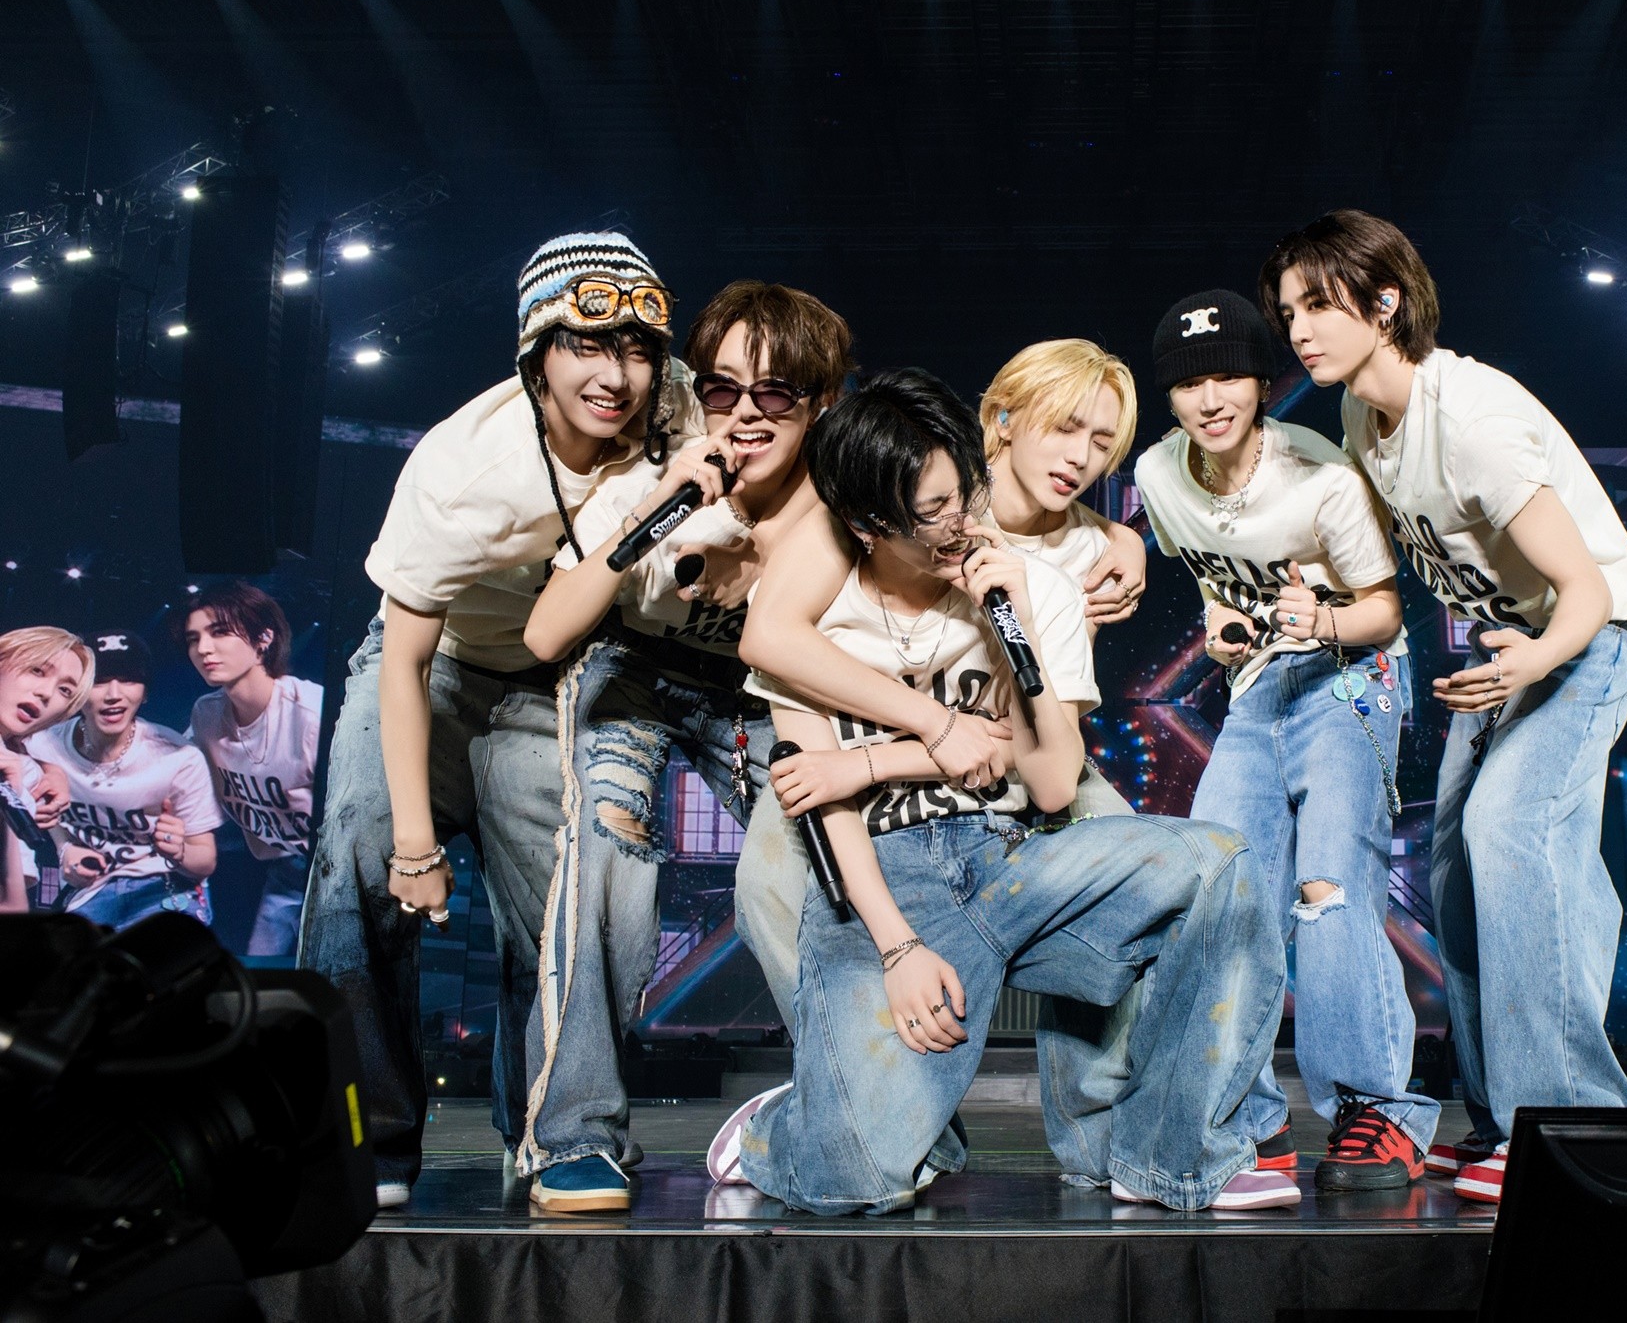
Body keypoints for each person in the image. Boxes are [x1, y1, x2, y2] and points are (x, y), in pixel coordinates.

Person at [705, 367, 1294, 1213]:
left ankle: (1171, 1156)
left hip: (1016, 855)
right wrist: (898, 946)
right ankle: (783, 1127)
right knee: (856, 1176)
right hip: (893, 871)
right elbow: (822, 799)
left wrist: (1013, 619)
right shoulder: (818, 618)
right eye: (933, 511)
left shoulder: (1028, 589)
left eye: (964, 495)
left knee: (1220, 864)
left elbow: (1051, 781)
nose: (961, 523)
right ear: (870, 526)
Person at [1263, 209, 1627, 1204]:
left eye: (1318, 305)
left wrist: (1533, 657)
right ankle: (1496, 1119)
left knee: (1511, 831)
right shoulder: (1359, 416)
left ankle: (1567, 1124)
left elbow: (1586, 590)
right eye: (1288, 311)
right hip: (1506, 654)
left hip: (1583, 643)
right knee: (1450, 875)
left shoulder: (1473, 420)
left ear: (1384, 302)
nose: (1299, 330)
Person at [296, 232, 699, 1209]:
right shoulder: (463, 467)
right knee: (359, 849)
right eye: (585, 346)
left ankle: (553, 1133)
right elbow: (401, 659)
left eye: (637, 350)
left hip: (564, 676)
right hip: (434, 670)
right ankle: (366, 1136)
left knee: (568, 889)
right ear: (536, 352)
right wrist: (415, 843)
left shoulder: (680, 414)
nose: (615, 377)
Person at [732, 338, 1152, 1185]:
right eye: (1065, 428)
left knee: (1131, 864)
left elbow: (1029, 749)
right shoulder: (904, 483)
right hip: (868, 742)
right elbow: (769, 639)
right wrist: (925, 729)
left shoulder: (1092, 548)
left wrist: (1127, 546)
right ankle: (855, 1092)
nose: (1081, 457)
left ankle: (1103, 1132)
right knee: (767, 886)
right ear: (1000, 422)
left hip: (1008, 753)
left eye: (1103, 442)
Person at [512, 280, 852, 1212]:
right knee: (604, 856)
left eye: (775, 392)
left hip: (756, 696)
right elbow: (546, 634)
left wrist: (1116, 544)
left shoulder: (844, 492)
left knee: (827, 862)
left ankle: (868, 1103)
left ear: (821, 402)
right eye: (723, 388)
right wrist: (658, 510)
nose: (745, 413)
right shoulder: (657, 476)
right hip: (632, 674)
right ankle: (575, 1136)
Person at [1133, 288, 1435, 1193]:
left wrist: (1323, 620)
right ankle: (1248, 1118)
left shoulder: (1323, 479)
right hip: (1258, 688)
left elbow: (1384, 611)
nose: (1209, 398)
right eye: (1189, 383)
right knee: (1224, 894)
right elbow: (1213, 582)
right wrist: (1224, 626)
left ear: (1263, 384)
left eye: (1228, 376)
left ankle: (1378, 1109)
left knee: (1327, 887)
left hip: (1350, 675)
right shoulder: (1158, 476)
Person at [28, 631, 223, 930]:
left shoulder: (179, 757)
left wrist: (179, 851)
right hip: (91, 889)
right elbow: (48, 807)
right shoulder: (43, 746)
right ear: (78, 690)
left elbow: (205, 861)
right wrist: (65, 848)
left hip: (164, 885)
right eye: (99, 681)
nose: (113, 694)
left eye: (129, 680)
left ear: (145, 693)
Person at [184, 581, 324, 957]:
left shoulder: (312, 714)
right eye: (194, 639)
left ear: (264, 638)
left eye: (219, 632)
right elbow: (172, 771)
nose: (203, 648)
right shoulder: (206, 714)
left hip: (339, 869)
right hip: (284, 868)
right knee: (259, 969)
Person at [0, 626, 90, 913]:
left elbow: (12, 906)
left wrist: (12, 794)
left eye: (65, 691)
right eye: (37, 670)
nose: (46, 693)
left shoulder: (23, 775)